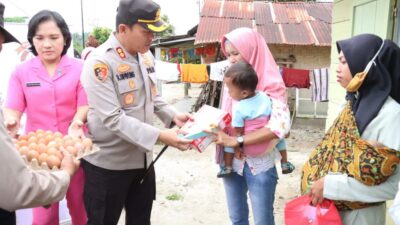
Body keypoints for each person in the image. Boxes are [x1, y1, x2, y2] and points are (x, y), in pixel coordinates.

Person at [80, 0, 192, 224]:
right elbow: (113, 118)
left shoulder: (145, 55)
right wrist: (161, 136)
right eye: (146, 32)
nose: (152, 38)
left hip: (142, 163)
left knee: (141, 220)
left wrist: (172, 115)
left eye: (154, 32)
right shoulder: (100, 63)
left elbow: (153, 95)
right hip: (108, 166)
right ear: (123, 29)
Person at [303, 33, 400, 225]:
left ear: (366, 65)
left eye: (344, 62)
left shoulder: (391, 114)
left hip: (361, 218)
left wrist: (331, 186)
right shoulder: (349, 104)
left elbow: (394, 188)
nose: (337, 69)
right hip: (328, 212)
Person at [3, 10, 88, 225]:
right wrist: (11, 121)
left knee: (80, 206)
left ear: (65, 38)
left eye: (53, 37)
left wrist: (78, 121)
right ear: (31, 40)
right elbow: (13, 108)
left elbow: (84, 104)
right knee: (43, 215)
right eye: (39, 38)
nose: (46, 44)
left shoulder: (80, 68)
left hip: (73, 149)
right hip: (38, 156)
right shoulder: (21, 72)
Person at [210, 27, 290, 225]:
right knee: (237, 219)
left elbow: (280, 127)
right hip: (231, 163)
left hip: (260, 163)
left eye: (236, 53)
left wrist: (237, 140)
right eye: (228, 54)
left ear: (252, 50)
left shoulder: (272, 85)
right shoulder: (232, 82)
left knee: (263, 220)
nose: (232, 59)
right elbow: (227, 117)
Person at [217, 61, 275, 178]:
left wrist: (238, 148)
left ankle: (228, 167)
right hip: (265, 145)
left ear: (244, 93)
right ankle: (285, 162)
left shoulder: (239, 108)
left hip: (248, 146)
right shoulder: (265, 96)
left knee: (229, 143)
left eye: (230, 90)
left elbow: (239, 131)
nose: (228, 92)